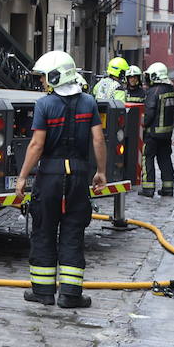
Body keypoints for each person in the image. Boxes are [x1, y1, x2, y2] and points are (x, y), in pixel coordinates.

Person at [15, 51, 108, 309]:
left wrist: (23, 177)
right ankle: (70, 295)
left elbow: (36, 145)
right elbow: (98, 140)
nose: (43, 82)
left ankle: (43, 292)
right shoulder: (89, 102)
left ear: (56, 76)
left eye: (45, 77)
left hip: (50, 177)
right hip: (78, 176)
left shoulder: (44, 105)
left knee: (44, 231)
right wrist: (101, 171)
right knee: (73, 232)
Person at [141, 62, 174, 197]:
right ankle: (168, 188)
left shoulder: (154, 91)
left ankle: (148, 188)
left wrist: (142, 126)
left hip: (153, 134)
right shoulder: (171, 91)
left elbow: (149, 113)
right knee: (165, 160)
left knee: (147, 158)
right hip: (167, 134)